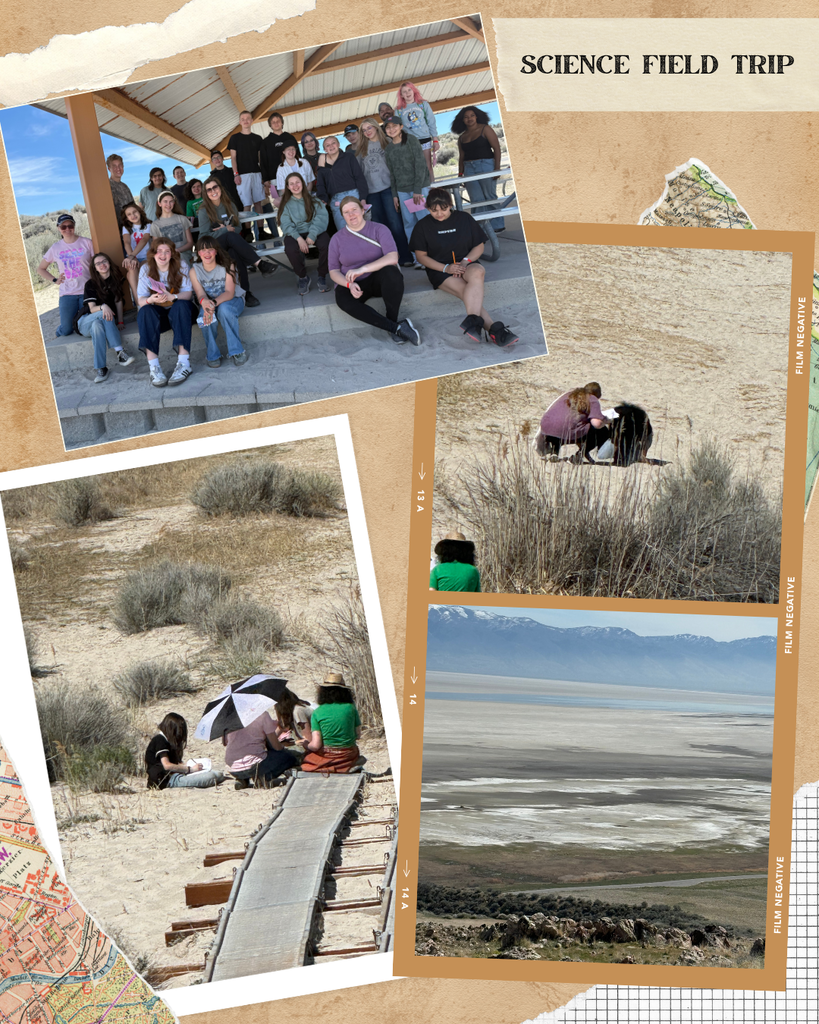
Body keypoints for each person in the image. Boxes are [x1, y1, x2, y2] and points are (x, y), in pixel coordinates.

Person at [410, 188, 518, 347]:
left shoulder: (464, 218)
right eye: (434, 210)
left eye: (444, 209)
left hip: (465, 262)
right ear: (427, 209)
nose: (439, 213)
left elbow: (479, 246)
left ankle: (473, 322)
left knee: (478, 272)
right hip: (440, 269)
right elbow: (421, 257)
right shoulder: (422, 226)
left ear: (450, 205)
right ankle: (494, 329)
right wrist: (447, 268)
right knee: (465, 290)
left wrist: (465, 262)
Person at [328, 196, 419, 346]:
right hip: (353, 283)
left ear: (362, 210)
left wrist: (362, 269)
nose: (351, 215)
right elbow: (333, 271)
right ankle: (395, 327)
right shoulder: (336, 239)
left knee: (392, 275)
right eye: (346, 212)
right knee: (343, 300)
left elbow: (392, 257)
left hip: (378, 279)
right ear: (342, 215)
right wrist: (348, 285)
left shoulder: (379, 229)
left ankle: (392, 320)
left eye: (354, 210)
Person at [197, 177, 277, 306]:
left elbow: (238, 226)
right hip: (213, 246)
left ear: (220, 188)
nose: (213, 191)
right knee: (229, 235)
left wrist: (229, 229)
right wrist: (225, 230)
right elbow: (204, 236)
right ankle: (259, 263)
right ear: (205, 193)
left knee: (235, 253)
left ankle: (246, 293)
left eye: (215, 187)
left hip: (230, 244)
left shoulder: (229, 204)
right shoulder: (203, 210)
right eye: (209, 190)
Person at [136, 237, 195, 388]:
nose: (163, 255)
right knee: (145, 311)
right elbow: (140, 300)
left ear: (172, 253)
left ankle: (184, 363)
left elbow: (188, 293)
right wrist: (151, 299)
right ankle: (154, 367)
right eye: (159, 251)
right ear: (153, 253)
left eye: (167, 251)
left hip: (182, 313)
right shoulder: (145, 269)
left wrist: (173, 297)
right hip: (160, 316)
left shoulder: (181, 265)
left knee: (180, 305)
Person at [355, 117, 414, 267]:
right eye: (364, 130)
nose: (367, 132)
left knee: (395, 223)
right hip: (371, 193)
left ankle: (405, 256)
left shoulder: (387, 142)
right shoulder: (360, 149)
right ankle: (387, 260)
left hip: (389, 189)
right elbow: (360, 175)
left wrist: (396, 192)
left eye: (370, 128)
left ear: (376, 127)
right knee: (379, 226)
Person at [189, 235, 248, 367]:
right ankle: (213, 354)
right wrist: (205, 303)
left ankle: (237, 350)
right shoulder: (194, 270)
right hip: (209, 303)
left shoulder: (227, 265)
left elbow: (229, 293)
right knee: (203, 316)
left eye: (210, 249)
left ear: (216, 251)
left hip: (232, 300)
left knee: (224, 310)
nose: (207, 253)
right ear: (198, 253)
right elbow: (200, 293)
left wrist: (213, 304)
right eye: (203, 250)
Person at [76, 252, 134, 382]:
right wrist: (103, 306)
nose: (102, 265)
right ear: (94, 268)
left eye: (104, 261)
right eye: (98, 263)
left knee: (97, 326)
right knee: (102, 315)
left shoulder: (116, 280)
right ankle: (119, 351)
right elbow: (92, 309)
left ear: (109, 263)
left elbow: (118, 301)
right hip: (85, 321)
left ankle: (101, 368)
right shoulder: (90, 284)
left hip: (99, 322)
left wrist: (120, 321)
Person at [37, 214, 94, 337]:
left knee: (85, 323)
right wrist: (55, 280)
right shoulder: (55, 248)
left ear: (74, 226)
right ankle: (61, 330)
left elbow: (97, 263)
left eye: (70, 226)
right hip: (67, 293)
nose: (67, 229)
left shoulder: (87, 243)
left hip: (87, 291)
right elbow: (41, 269)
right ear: (58, 228)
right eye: (63, 227)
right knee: (67, 330)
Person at [452, 106, 505, 232]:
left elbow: (496, 148)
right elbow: (461, 157)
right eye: (466, 117)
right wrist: (461, 174)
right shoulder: (462, 137)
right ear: (462, 120)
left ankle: (497, 226)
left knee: (489, 196)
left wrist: (497, 168)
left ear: (476, 116)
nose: (469, 119)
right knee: (476, 199)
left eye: (472, 115)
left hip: (486, 165)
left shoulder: (485, 129)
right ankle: (481, 228)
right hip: (469, 169)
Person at [277, 172, 330, 295]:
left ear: (303, 184)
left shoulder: (314, 200)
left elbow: (321, 218)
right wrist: (299, 238)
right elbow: (285, 224)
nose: (295, 186)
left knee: (326, 244)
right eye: (291, 184)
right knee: (290, 248)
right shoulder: (285, 204)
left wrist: (312, 234)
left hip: (314, 230)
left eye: (297, 182)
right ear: (288, 187)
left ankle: (322, 275)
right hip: (295, 233)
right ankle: (303, 277)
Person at [301, 673, 362, 774]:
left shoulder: (317, 712)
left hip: (327, 756)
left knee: (307, 760)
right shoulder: (350, 708)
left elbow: (316, 745)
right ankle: (345, 767)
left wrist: (306, 744)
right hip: (349, 755)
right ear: (344, 692)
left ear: (322, 692)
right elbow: (358, 735)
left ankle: (329, 767)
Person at [145, 713, 224, 789]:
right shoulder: (160, 740)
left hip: (171, 777)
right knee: (211, 777)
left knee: (217, 774)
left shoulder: (164, 740)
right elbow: (167, 765)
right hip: (164, 780)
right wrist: (190, 769)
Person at [382, 116, 429, 245]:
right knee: (409, 223)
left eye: (394, 126)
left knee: (424, 221)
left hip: (418, 189)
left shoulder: (411, 140)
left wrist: (417, 189)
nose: (392, 129)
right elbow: (392, 173)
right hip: (402, 191)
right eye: (388, 127)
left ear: (401, 127)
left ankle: (432, 254)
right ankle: (417, 257)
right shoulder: (389, 149)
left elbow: (420, 165)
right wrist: (394, 194)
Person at [229, 110, 274, 242]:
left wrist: (264, 176)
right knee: (246, 204)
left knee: (258, 203)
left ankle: (261, 231)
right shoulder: (234, 138)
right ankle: (248, 232)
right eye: (243, 118)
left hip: (257, 173)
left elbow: (261, 158)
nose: (245, 121)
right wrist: (235, 174)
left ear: (252, 121)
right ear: (240, 121)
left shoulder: (258, 138)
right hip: (242, 175)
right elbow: (233, 158)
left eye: (248, 118)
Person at [534, 383, 609, 462]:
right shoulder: (592, 398)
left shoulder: (568, 394)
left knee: (561, 425)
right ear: (596, 395)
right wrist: (607, 420)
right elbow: (597, 423)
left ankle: (554, 452)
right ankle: (580, 454)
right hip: (568, 432)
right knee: (603, 431)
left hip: (548, 430)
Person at [224, 710, 296, 789]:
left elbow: (225, 742)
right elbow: (276, 746)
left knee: (250, 756)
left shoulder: (230, 716)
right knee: (288, 757)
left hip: (232, 767)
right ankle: (262, 778)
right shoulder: (262, 714)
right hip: (255, 766)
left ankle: (242, 779)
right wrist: (283, 749)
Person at [316, 135, 369, 231]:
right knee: (343, 231)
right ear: (325, 149)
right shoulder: (322, 163)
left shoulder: (348, 157)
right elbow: (320, 183)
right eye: (327, 145)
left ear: (338, 144)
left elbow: (359, 177)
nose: (331, 146)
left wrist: (363, 198)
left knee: (360, 228)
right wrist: (323, 198)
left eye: (333, 143)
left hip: (353, 195)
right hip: (336, 200)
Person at [395, 81, 439, 184]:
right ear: (401, 95)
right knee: (414, 167)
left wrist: (435, 139)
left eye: (409, 90)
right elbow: (397, 129)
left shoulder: (423, 104)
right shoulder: (399, 110)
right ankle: (419, 191)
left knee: (428, 166)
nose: (407, 93)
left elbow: (431, 121)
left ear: (414, 90)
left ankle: (431, 188)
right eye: (404, 92)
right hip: (410, 142)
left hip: (424, 139)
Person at [120, 202, 152, 299]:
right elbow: (127, 243)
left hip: (146, 257)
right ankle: (138, 302)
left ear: (140, 211)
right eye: (129, 214)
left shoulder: (148, 224)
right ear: (126, 218)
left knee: (143, 270)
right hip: (132, 256)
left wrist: (132, 256)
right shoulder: (126, 228)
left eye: (134, 212)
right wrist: (132, 257)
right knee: (132, 270)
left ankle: (145, 298)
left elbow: (144, 239)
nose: (133, 215)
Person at [106, 154, 134, 223]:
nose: (118, 169)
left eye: (120, 165)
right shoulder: (107, 186)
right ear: (109, 169)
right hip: (117, 228)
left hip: (131, 227)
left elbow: (133, 207)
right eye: (114, 166)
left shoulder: (125, 187)